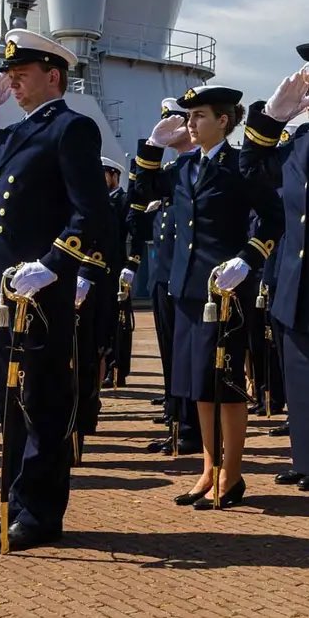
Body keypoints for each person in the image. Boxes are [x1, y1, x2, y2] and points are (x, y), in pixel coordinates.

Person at [0, 28, 109, 552]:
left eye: (21, 76)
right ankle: (14, 506)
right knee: (12, 403)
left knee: (40, 404)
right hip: (0, 293)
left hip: (37, 295)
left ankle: (40, 515)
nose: (12, 83)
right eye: (10, 76)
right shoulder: (17, 133)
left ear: (54, 76)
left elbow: (91, 214)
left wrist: (52, 265)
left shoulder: (72, 128)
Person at [135, 85, 283, 508]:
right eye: (189, 117)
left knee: (227, 383)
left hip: (225, 290)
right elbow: (140, 195)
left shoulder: (240, 167)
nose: (191, 124)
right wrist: (151, 148)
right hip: (185, 289)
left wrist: (247, 260)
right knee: (198, 385)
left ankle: (232, 475)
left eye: (199, 115)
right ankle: (208, 469)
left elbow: (273, 221)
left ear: (223, 120)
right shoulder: (184, 170)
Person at [239, 58, 309, 492]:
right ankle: (304, 459)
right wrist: (270, 120)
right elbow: (251, 173)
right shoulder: (296, 140)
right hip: (295, 279)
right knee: (299, 375)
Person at [123, 98, 201, 456]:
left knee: (189, 356)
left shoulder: (199, 168)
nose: (170, 127)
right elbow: (140, 191)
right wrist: (151, 148)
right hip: (166, 275)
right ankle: (177, 421)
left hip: (193, 277)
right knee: (171, 353)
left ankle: (191, 427)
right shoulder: (175, 170)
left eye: (176, 121)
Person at [100, 157, 131, 388]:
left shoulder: (123, 200)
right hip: (99, 270)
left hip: (117, 267)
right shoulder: (97, 200)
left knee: (119, 321)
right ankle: (105, 364)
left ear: (113, 175)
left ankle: (117, 367)